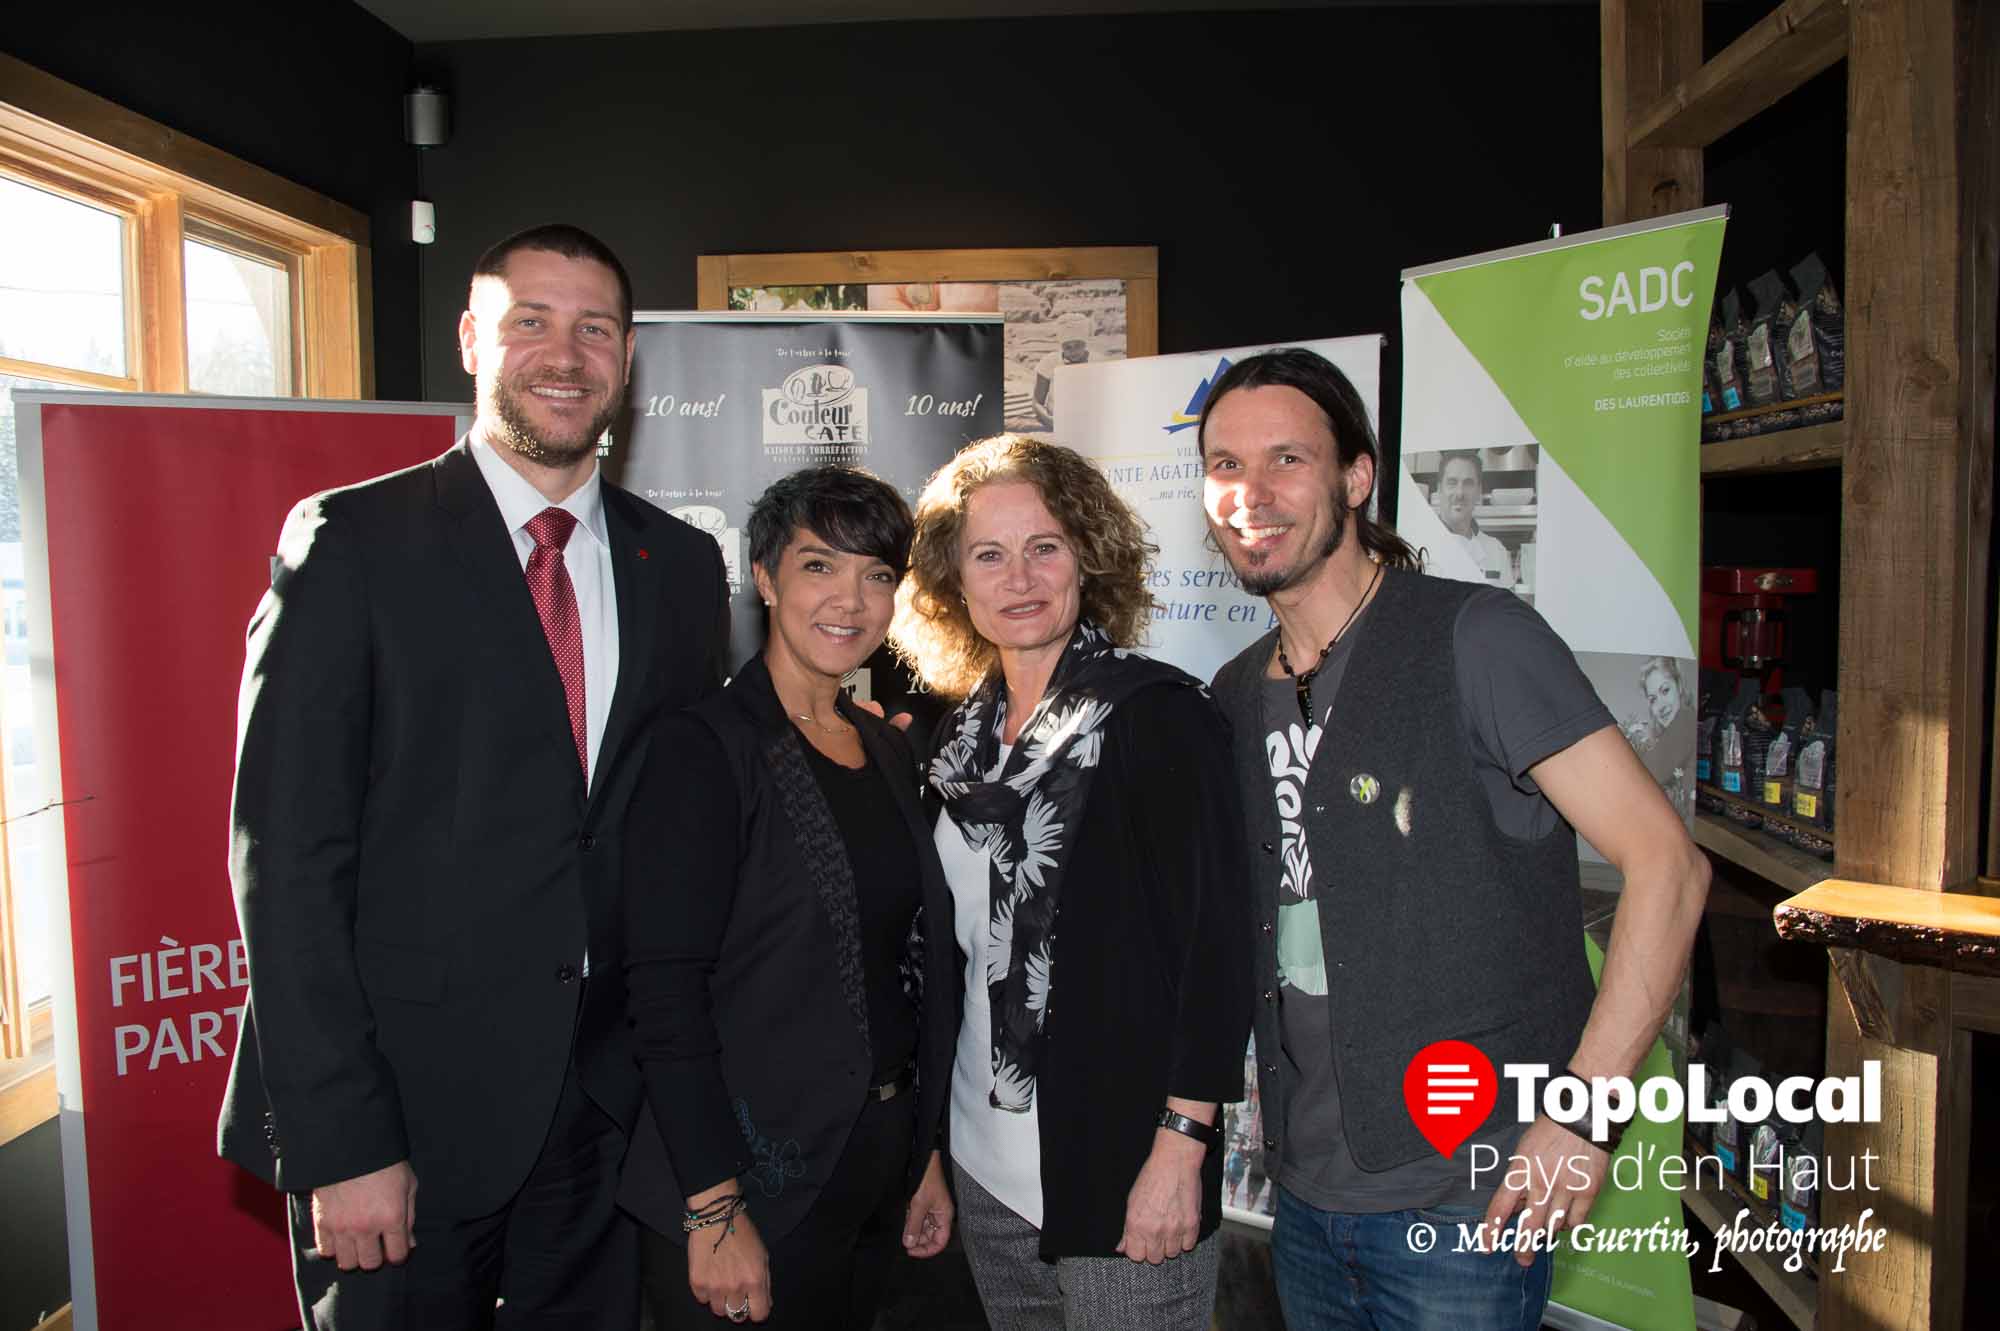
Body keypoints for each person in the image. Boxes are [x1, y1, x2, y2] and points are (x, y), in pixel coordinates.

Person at [217, 223, 730, 1329]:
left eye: (593, 328)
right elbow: (287, 862)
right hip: (402, 1121)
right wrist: (343, 1140)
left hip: (601, 1119)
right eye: (529, 322)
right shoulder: (352, 544)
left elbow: (686, 812)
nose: (564, 353)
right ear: (469, 340)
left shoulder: (681, 569)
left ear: (628, 358)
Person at [1197, 349, 1709, 1330]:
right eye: (1224, 465)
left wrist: (1585, 1114)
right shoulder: (1232, 691)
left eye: (1284, 459)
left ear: (1355, 476)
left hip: (1465, 1199)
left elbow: (1668, 866)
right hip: (1302, 1200)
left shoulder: (1474, 638)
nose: (1249, 492)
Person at [890, 435, 1251, 1330]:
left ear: (1088, 559)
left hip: (1122, 1170)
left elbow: (1218, 956)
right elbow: (950, 969)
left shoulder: (1158, 716)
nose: (1020, 577)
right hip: (985, 1169)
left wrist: (1181, 1149)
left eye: (1044, 546)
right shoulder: (956, 746)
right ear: (955, 582)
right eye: (989, 554)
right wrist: (932, 1152)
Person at [618, 466, 959, 1329]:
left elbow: (901, 971)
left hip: (872, 1167)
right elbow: (664, 999)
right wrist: (714, 1206)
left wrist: (919, 1153)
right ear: (764, 577)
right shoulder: (703, 750)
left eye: (877, 574)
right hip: (748, 1184)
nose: (850, 599)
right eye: (818, 566)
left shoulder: (884, 750)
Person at [1626, 655, 1694, 818]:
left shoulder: (1685, 720)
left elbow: (1642, 778)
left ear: (1679, 686)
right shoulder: (1671, 731)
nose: (1660, 706)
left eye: (1665, 690)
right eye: (1653, 699)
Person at [1435, 449, 1512, 584]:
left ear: (1479, 491)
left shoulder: (1496, 550)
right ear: (1440, 489)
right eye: (1452, 483)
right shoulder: (1418, 547)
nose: (1460, 493)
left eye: (1468, 483)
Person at [1028, 313, 1092, 430]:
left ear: (1085, 344)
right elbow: (1037, 403)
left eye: (1078, 345)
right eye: (1068, 347)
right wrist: (1050, 421)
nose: (1073, 351)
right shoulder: (1049, 362)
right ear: (1062, 346)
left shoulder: (1098, 362)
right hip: (1055, 422)